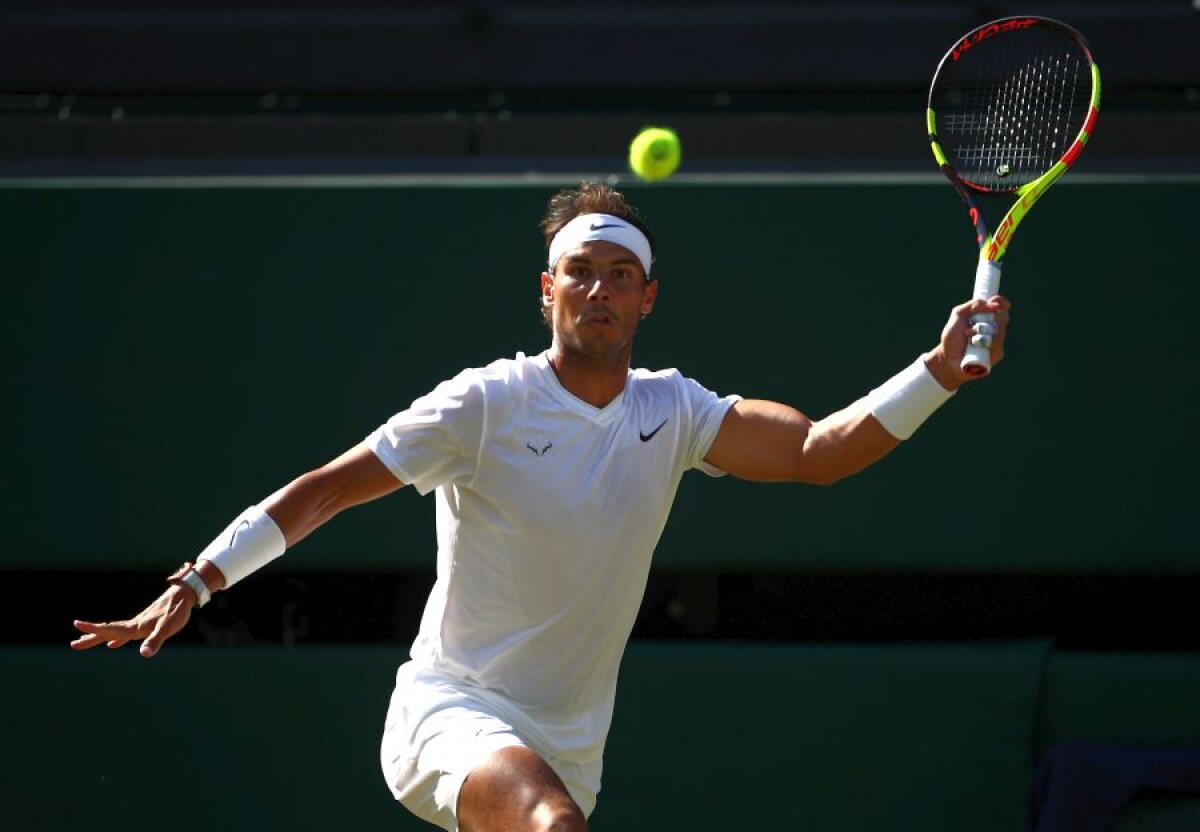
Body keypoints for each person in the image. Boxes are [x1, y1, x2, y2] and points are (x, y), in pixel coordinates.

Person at [71, 181, 1010, 832]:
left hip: (572, 743)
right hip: (450, 710)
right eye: (580, 272)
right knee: (550, 823)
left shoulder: (674, 410)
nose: (598, 289)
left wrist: (937, 374)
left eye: (619, 276)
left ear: (647, 300)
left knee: (559, 813)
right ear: (548, 291)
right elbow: (326, 490)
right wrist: (205, 573)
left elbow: (818, 454)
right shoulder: (483, 405)